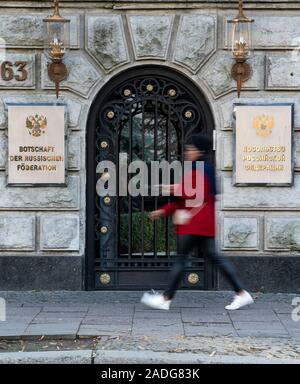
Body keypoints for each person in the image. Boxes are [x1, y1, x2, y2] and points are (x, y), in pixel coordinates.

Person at [141, 134, 254, 311]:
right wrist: (164, 210)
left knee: (182, 260)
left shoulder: (200, 169)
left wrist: (173, 188)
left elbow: (194, 194)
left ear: (199, 150)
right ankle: (241, 293)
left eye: (190, 149)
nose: (187, 152)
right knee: (214, 259)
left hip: (194, 224)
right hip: (201, 224)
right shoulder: (201, 168)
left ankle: (166, 298)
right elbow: (187, 198)